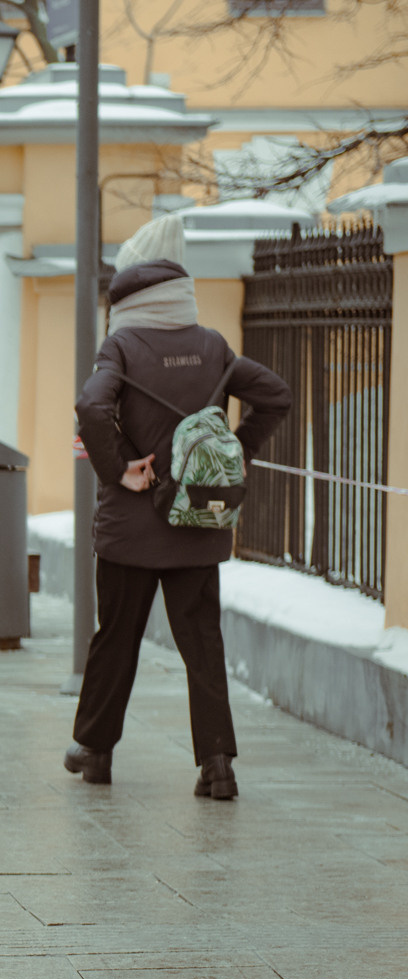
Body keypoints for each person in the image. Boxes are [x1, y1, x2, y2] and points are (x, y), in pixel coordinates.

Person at [68, 216, 290, 800]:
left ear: (129, 299)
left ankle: (95, 751)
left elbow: (92, 406)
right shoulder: (212, 345)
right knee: (203, 644)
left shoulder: (120, 345)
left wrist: (119, 466)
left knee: (115, 637)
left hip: (129, 529)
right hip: (199, 524)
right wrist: (237, 451)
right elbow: (275, 394)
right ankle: (217, 765)